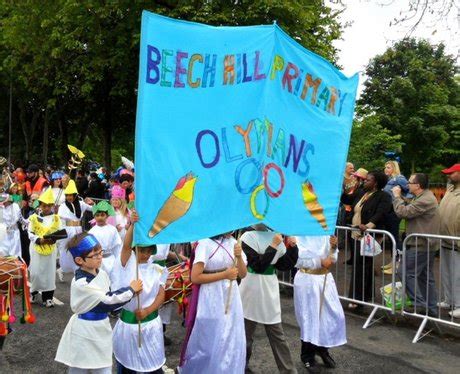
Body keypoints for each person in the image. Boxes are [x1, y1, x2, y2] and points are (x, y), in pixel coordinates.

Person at [55, 232, 142, 374]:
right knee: (79, 367)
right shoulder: (81, 283)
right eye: (94, 255)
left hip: (101, 328)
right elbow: (107, 301)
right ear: (79, 260)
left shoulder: (100, 273)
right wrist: (130, 290)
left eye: (100, 252)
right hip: (83, 331)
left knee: (103, 366)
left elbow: (111, 291)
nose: (100, 256)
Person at [179, 233, 247, 373]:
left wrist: (239, 256)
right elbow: (195, 277)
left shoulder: (234, 242)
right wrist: (224, 275)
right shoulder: (204, 243)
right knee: (209, 340)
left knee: (231, 338)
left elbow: (243, 274)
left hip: (232, 298)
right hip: (211, 298)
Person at [113, 211, 167, 374]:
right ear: (136, 249)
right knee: (128, 364)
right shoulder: (126, 264)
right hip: (129, 326)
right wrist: (133, 225)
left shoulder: (157, 269)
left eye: (149, 250)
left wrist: (147, 311)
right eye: (142, 250)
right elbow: (126, 246)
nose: (145, 254)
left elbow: (161, 295)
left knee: (153, 363)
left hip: (150, 325)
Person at [239, 225, 298, 374]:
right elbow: (258, 265)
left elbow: (283, 265)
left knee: (277, 334)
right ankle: (240, 367)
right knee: (245, 334)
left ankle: (289, 371)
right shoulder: (247, 237)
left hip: (269, 289)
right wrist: (273, 245)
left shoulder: (274, 235)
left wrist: (292, 247)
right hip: (250, 289)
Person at [291, 235, 345, 372]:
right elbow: (297, 259)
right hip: (307, 280)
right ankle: (307, 356)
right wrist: (319, 262)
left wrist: (333, 247)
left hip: (325, 279)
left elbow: (332, 259)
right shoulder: (298, 234)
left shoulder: (324, 232)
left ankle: (322, 348)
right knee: (309, 318)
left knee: (328, 316)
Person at [342, 170, 392, 309]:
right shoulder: (361, 193)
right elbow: (346, 200)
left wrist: (369, 226)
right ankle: (364, 296)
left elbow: (381, 213)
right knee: (361, 265)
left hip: (368, 235)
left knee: (362, 265)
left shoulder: (383, 196)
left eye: (368, 180)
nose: (365, 181)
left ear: (376, 183)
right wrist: (344, 187)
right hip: (355, 234)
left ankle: (357, 298)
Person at [392, 173, 440, 316]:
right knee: (425, 278)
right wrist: (401, 198)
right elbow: (411, 204)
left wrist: (396, 197)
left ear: (418, 185)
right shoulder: (423, 197)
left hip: (420, 245)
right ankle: (431, 310)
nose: (407, 185)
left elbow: (403, 212)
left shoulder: (425, 200)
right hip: (424, 245)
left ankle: (419, 304)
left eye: (410, 182)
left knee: (405, 272)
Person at [28, 188, 62, 307]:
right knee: (35, 272)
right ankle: (33, 292)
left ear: (52, 205)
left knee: (49, 272)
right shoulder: (34, 217)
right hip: (36, 248)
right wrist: (39, 240)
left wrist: (53, 239)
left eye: (49, 205)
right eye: (44, 205)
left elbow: (60, 232)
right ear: (40, 205)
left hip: (50, 248)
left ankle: (48, 297)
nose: (46, 208)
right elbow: (30, 232)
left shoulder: (56, 218)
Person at [438, 164, 460, 318]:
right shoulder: (450, 190)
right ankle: (449, 299)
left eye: (452, 173)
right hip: (445, 238)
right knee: (446, 272)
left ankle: (459, 304)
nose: (448, 175)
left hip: (456, 240)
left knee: (457, 274)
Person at [58, 180, 94, 274]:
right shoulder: (63, 206)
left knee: (77, 250)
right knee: (64, 250)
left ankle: (76, 269)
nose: (69, 197)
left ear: (75, 195)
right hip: (67, 230)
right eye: (67, 195)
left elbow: (92, 209)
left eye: (71, 195)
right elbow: (59, 216)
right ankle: (62, 268)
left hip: (78, 230)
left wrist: (92, 203)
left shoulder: (81, 204)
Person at [382, 160, 410, 274]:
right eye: (385, 167)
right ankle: (393, 260)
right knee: (390, 237)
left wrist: (405, 200)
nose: (386, 169)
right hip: (388, 210)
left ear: (394, 168)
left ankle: (398, 264)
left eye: (388, 167)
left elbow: (410, 190)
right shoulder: (388, 180)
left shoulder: (399, 178)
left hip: (395, 211)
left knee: (394, 236)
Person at [89, 200, 122, 282]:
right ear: (94, 216)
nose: (100, 217)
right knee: (99, 281)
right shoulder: (92, 231)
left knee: (112, 280)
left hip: (111, 260)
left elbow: (117, 247)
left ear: (107, 216)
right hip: (97, 260)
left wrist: (119, 261)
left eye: (102, 215)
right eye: (97, 215)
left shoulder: (112, 229)